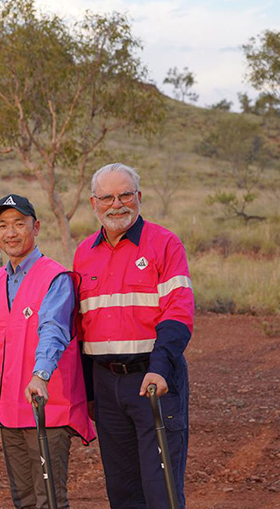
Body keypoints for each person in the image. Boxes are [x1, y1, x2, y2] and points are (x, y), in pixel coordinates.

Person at [74, 163, 194, 509]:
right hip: (107, 387)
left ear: (139, 197)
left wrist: (160, 367)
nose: (117, 204)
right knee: (123, 491)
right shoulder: (84, 253)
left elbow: (178, 314)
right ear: (94, 203)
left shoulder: (165, 244)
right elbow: (81, 327)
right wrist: (89, 391)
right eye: (108, 197)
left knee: (162, 491)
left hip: (154, 380)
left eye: (125, 194)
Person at [0, 194, 95, 509]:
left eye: (20, 223)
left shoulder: (55, 277)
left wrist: (40, 375)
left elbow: (53, 330)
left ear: (36, 227)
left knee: (50, 500)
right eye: (3, 225)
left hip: (47, 405)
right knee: (24, 499)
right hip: (8, 408)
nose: (11, 232)